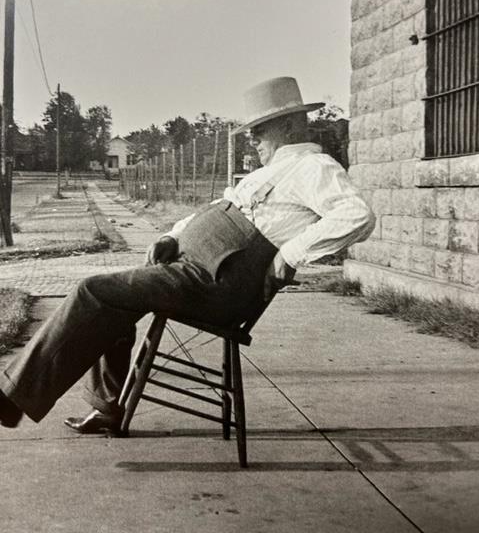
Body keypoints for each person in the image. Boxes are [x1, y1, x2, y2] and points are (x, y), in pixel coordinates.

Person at [0, 76, 375, 432]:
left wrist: (290, 255)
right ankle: (105, 406)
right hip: (196, 268)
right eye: (252, 131)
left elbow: (357, 214)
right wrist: (172, 235)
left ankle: (12, 396)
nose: (253, 139)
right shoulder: (276, 169)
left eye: (261, 129)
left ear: (291, 126)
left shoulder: (313, 166)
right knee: (113, 296)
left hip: (218, 282)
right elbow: (218, 208)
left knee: (93, 291)